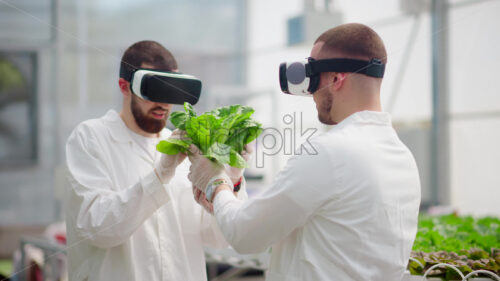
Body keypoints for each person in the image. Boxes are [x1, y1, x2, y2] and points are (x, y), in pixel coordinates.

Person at [187, 23, 422, 281]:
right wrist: (232, 187)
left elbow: (246, 236)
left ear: (336, 78)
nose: (311, 95)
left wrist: (216, 182)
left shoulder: (330, 152)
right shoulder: (403, 157)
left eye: (313, 78)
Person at [64, 40, 246, 281]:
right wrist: (160, 175)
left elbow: (219, 238)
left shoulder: (186, 146)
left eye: (170, 91)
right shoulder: (90, 138)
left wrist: (231, 179)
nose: (164, 104)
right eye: (154, 91)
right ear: (124, 86)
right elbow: (97, 228)